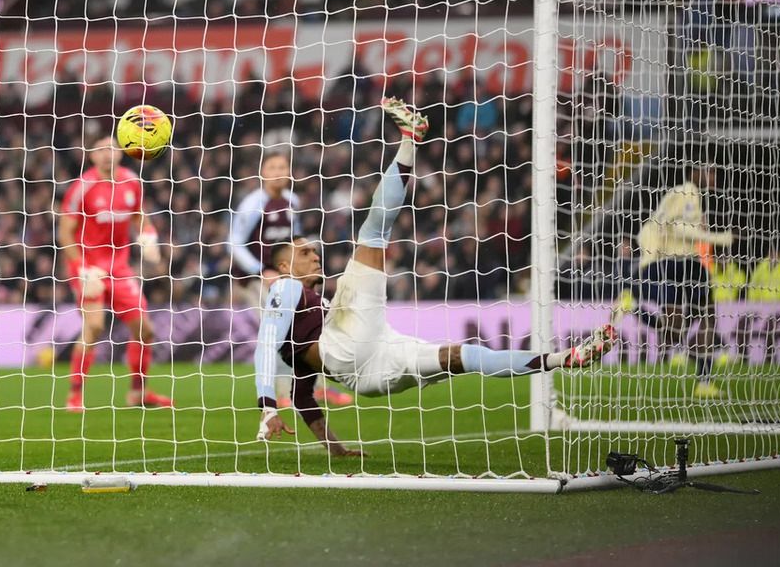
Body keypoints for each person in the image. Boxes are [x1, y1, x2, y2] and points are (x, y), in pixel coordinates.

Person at [254, 98, 617, 452]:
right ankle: (410, 140)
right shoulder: (285, 288)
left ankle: (562, 359)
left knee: (461, 356)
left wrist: (335, 449)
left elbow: (303, 396)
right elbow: (266, 344)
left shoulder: (312, 311)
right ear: (284, 267)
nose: (315, 255)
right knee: (374, 234)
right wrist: (267, 407)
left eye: (313, 250)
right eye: (304, 253)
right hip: (347, 347)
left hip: (372, 367)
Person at [228, 150, 352, 408]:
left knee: (307, 328)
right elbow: (234, 243)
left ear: (289, 173)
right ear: (262, 173)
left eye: (282, 167)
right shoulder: (253, 204)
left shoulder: (292, 202)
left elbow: (294, 240)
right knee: (278, 331)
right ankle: (285, 393)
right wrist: (261, 270)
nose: (277, 173)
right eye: (272, 168)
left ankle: (317, 388)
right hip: (257, 280)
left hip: (286, 277)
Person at [58, 135, 172, 412]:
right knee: (94, 326)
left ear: (121, 153)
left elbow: (139, 214)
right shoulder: (82, 187)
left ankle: (138, 392)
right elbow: (65, 233)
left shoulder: (131, 181)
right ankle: (74, 395)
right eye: (101, 150)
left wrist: (148, 235)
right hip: (88, 267)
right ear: (92, 156)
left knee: (144, 329)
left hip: (119, 268)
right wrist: (82, 268)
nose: (107, 154)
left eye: (112, 148)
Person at [614, 164, 733, 399]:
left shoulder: (677, 195)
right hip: (683, 263)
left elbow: (656, 227)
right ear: (695, 172)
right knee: (700, 320)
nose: (714, 176)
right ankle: (704, 381)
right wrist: (718, 237)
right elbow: (677, 227)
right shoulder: (689, 191)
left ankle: (634, 307)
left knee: (681, 327)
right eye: (709, 171)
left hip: (669, 264)